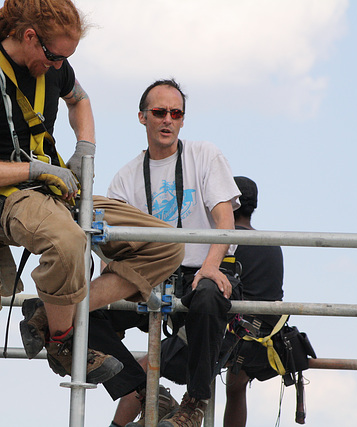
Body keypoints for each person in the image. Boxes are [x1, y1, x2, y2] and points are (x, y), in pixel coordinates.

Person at [0, 0, 184, 385]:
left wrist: (86, 146)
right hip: (6, 197)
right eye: (54, 56)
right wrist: (34, 169)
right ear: (30, 37)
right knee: (68, 242)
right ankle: (63, 343)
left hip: (56, 190)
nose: (59, 66)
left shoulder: (54, 62)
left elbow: (79, 99)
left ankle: (49, 314)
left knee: (164, 244)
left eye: (66, 58)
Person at [95, 79, 242, 427]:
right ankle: (145, 391)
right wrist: (110, 278)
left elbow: (225, 219)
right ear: (142, 117)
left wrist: (210, 266)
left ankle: (194, 402)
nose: (167, 120)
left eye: (176, 113)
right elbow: (109, 246)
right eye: (159, 112)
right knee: (87, 309)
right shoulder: (125, 177)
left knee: (208, 296)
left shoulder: (204, 154)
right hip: (151, 274)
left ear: (182, 120)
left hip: (201, 270)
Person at [222, 176, 284, 427]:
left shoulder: (223, 240)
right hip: (264, 339)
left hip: (230, 336)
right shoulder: (272, 244)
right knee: (236, 387)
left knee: (150, 362)